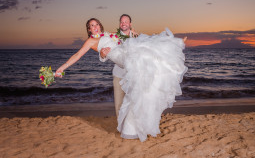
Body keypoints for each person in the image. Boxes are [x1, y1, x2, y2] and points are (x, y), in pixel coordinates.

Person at [55, 17, 188, 142]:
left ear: (100, 26)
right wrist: (62, 68)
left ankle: (174, 45)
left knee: (147, 57)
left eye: (96, 24)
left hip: (126, 53)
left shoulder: (109, 34)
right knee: (146, 58)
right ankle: (172, 48)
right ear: (89, 29)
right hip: (122, 59)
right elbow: (78, 55)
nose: (95, 27)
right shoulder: (90, 41)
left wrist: (133, 33)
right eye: (92, 26)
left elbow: (125, 34)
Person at [99, 14, 137, 118]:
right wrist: (102, 55)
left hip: (134, 76)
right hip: (119, 75)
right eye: (121, 21)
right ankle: (120, 128)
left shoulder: (136, 36)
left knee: (135, 102)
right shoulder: (113, 37)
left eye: (126, 21)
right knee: (119, 104)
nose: (123, 23)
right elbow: (105, 56)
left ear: (130, 24)